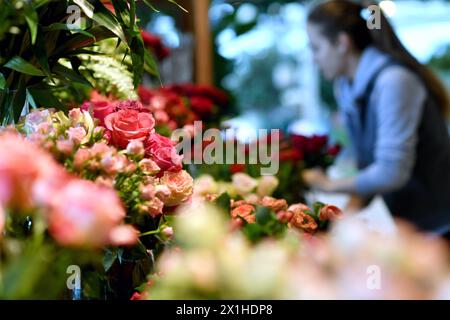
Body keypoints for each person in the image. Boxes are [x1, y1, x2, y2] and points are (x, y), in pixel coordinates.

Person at [302, 0, 450, 236]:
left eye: (316, 47)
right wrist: (342, 221)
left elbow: (391, 172)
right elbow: (369, 167)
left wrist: (328, 185)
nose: (314, 58)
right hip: (409, 227)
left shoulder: (393, 81)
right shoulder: (347, 86)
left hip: (438, 227)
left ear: (342, 43)